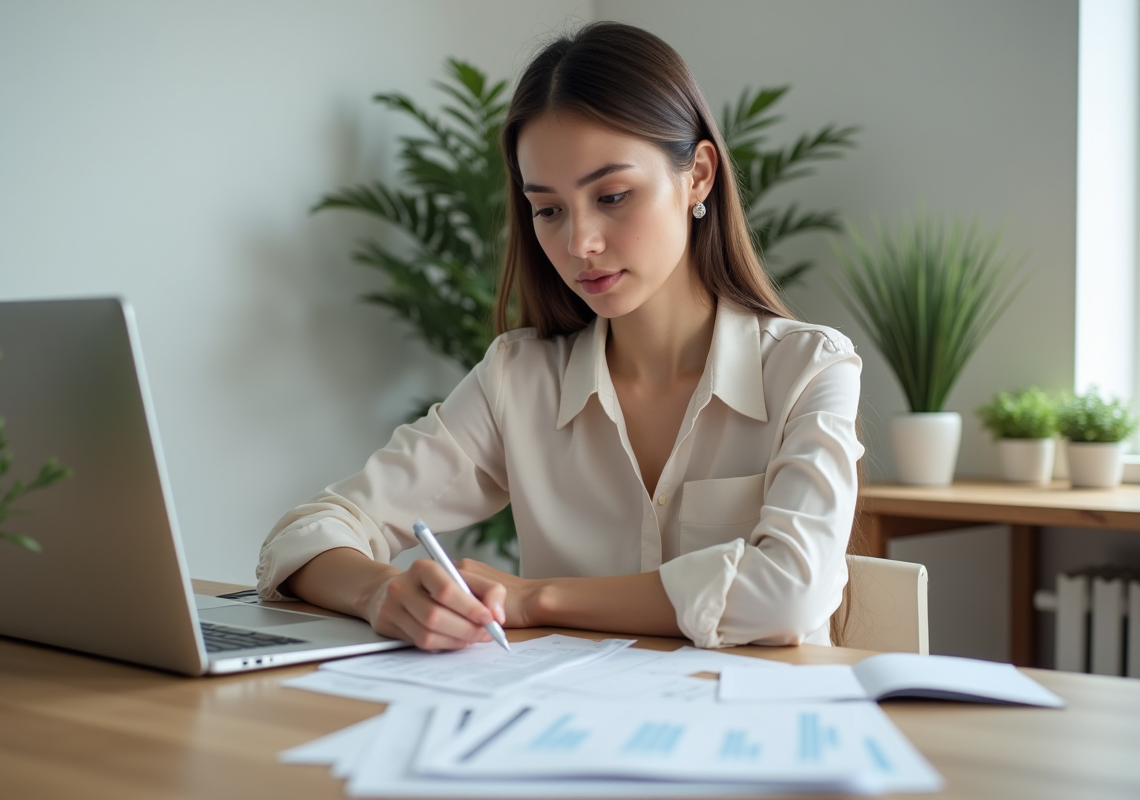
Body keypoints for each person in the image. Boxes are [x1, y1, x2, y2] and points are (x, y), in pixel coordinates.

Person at [256, 22, 863, 652]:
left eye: (613, 195)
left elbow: (790, 592)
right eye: (548, 209)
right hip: (559, 712)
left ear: (699, 175)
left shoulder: (808, 371)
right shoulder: (519, 381)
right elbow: (306, 534)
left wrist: (535, 598)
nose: (579, 243)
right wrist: (381, 594)